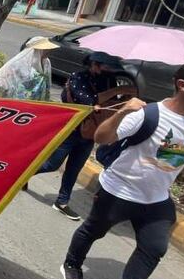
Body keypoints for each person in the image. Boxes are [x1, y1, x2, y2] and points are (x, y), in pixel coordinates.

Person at [60, 59, 184, 279]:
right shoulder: (147, 114)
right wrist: (123, 111)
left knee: (155, 246)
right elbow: (101, 137)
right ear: (183, 85)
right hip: (119, 190)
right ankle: (72, 265)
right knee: (93, 230)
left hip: (156, 197)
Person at [29, 51, 122, 219]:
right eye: (106, 66)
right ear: (95, 64)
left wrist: (124, 94)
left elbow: (112, 102)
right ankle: (21, 176)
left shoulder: (109, 79)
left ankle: (62, 202)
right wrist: (115, 92)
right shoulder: (78, 77)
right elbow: (88, 100)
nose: (109, 70)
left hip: (89, 132)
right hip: (70, 129)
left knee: (74, 169)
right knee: (52, 164)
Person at [0, 37, 58, 101]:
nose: (49, 52)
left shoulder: (47, 63)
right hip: (15, 103)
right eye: (46, 50)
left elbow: (47, 82)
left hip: (35, 104)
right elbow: (0, 82)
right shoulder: (17, 64)